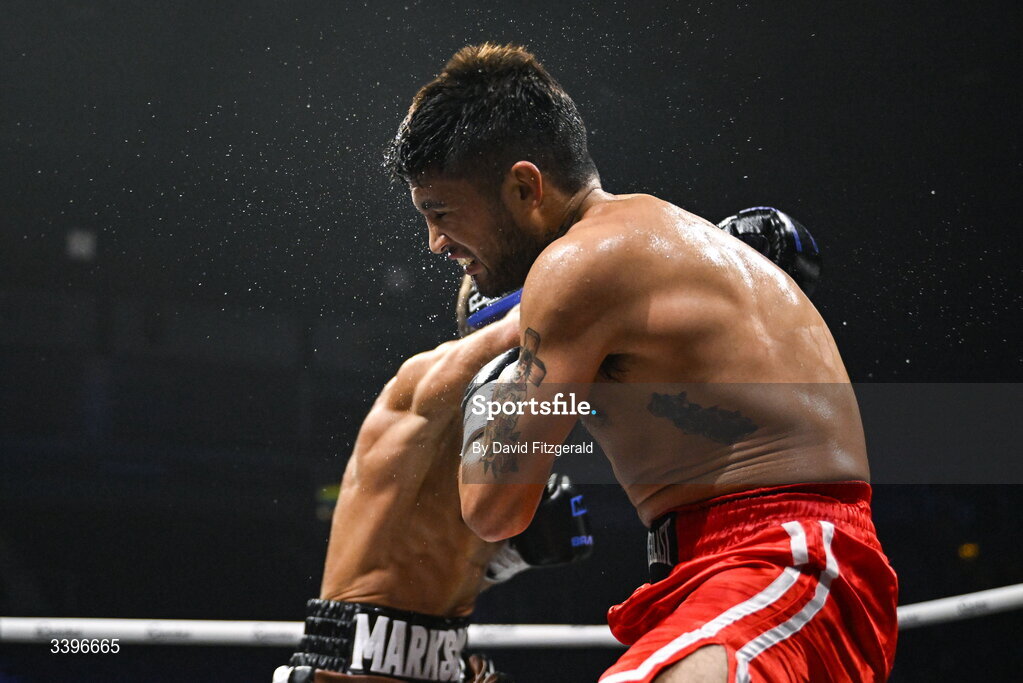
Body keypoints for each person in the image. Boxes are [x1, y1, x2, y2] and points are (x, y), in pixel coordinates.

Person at [387, 43, 897, 682]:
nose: (435, 243)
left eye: (440, 213)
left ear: (523, 187)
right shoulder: (650, 241)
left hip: (781, 560)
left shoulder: (578, 267)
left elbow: (493, 506)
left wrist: (496, 372)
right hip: (734, 567)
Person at [273, 281, 592, 683]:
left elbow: (442, 569)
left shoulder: (508, 435)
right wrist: (581, 273)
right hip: (353, 663)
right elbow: (523, 333)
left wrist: (508, 562)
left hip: (444, 661)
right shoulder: (420, 380)